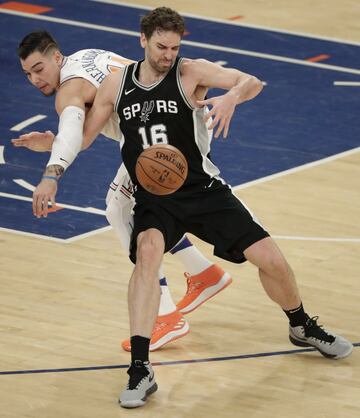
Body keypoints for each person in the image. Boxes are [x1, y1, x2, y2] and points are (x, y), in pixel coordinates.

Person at [27, 9, 354, 408]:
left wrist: (233, 95)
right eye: (161, 47)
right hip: (154, 196)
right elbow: (86, 135)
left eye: (174, 47)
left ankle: (301, 324)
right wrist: (53, 163)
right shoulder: (117, 85)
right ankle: (140, 367)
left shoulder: (190, 72)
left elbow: (251, 81)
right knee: (146, 255)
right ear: (142, 41)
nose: (168, 54)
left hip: (202, 189)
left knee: (270, 259)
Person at [13, 30, 233, 352]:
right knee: (124, 206)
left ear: (56, 58)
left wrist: (51, 174)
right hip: (182, 122)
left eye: (39, 68)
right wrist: (55, 143)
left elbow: (74, 131)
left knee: (123, 211)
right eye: (27, 73)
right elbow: (86, 132)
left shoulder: (69, 89)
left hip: (167, 137)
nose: (34, 78)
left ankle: (166, 314)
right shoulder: (87, 55)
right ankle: (203, 274)